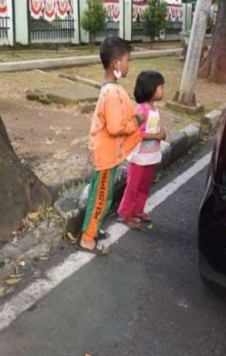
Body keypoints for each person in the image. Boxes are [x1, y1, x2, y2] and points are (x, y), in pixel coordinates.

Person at [78, 36, 142, 255]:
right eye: (126, 60)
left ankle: (93, 229)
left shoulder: (110, 88)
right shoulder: (113, 92)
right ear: (116, 64)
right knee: (102, 197)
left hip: (106, 153)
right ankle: (87, 239)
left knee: (102, 195)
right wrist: (135, 123)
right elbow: (115, 127)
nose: (127, 65)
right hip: (106, 155)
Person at [117, 71, 167, 230]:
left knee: (144, 186)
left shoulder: (154, 109)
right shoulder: (140, 110)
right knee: (133, 186)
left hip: (151, 156)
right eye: (161, 87)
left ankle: (138, 210)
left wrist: (162, 133)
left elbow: (156, 129)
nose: (163, 90)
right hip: (139, 157)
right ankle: (125, 214)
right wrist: (157, 135)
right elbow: (135, 133)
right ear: (151, 88)